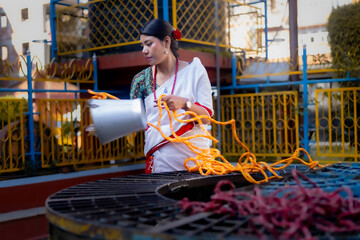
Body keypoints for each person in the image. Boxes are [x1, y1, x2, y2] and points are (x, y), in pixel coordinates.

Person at [130, 19, 214, 173]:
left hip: (196, 164)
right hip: (160, 165)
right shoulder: (140, 81)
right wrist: (105, 124)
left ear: (166, 42)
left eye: (149, 44)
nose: (144, 50)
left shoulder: (195, 71)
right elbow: (132, 120)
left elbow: (206, 117)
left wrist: (185, 104)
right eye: (142, 46)